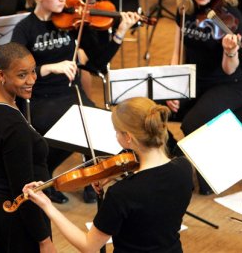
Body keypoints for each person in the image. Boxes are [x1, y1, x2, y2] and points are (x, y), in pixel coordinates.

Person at [11, 0, 140, 204]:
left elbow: (96, 64)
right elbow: (16, 73)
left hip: (71, 93)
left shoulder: (73, 21)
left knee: (103, 128)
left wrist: (119, 33)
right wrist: (49, 67)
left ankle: (91, 177)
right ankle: (46, 176)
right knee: (69, 132)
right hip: (39, 98)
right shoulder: (25, 29)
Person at [24, 97, 194, 253]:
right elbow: (153, 182)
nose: (116, 135)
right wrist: (116, 172)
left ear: (128, 137)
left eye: (117, 131)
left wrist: (48, 206)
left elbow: (89, 246)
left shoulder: (122, 194)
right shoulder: (184, 167)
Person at [0, 42, 55, 253]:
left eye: (33, 71)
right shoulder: (13, 126)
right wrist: (43, 239)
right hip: (16, 214)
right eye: (22, 75)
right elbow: (22, 190)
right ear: (1, 75)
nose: (32, 80)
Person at [167, 0, 242, 195]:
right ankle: (175, 152)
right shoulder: (184, 11)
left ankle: (208, 175)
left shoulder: (231, 16)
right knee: (147, 109)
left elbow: (229, 68)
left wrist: (230, 51)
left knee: (192, 123)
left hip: (227, 84)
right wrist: (173, 87)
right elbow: (177, 53)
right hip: (193, 80)